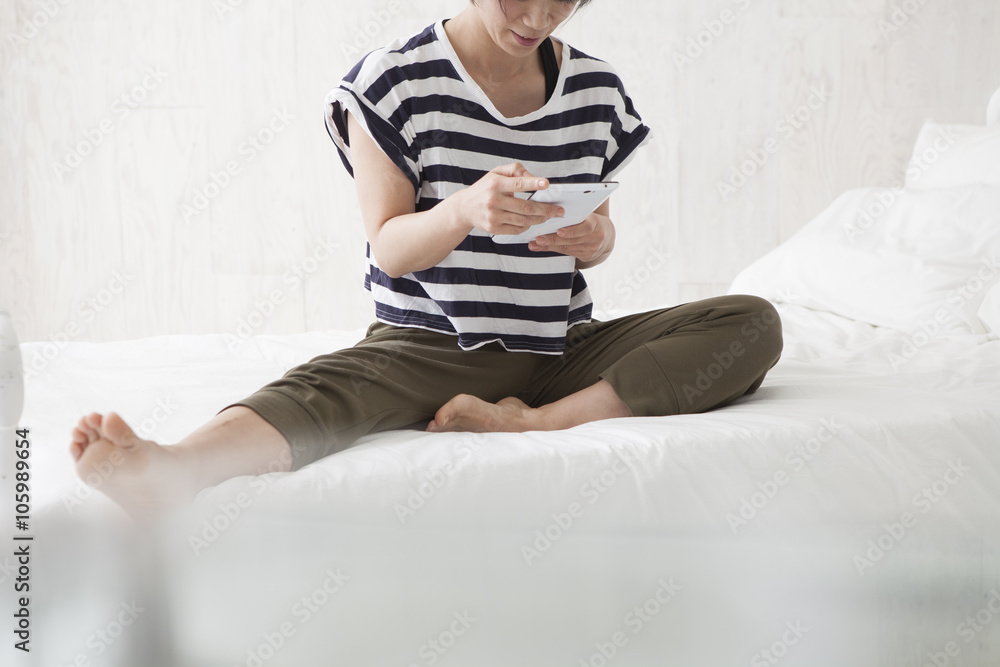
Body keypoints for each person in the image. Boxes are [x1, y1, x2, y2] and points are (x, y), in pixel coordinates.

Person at [69, 0, 783, 520]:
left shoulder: (595, 91)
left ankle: (533, 421)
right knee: (330, 390)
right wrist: (463, 211)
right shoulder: (392, 82)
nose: (538, 16)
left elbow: (600, 227)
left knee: (751, 323)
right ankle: (173, 469)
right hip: (432, 345)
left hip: (561, 347)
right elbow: (388, 243)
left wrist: (596, 240)